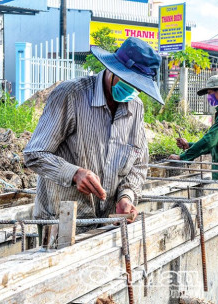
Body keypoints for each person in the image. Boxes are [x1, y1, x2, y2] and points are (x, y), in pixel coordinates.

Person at [24, 37, 163, 228]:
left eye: (138, 87)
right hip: (61, 224)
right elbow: (34, 154)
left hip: (107, 224)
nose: (133, 90)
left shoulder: (136, 108)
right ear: (112, 70)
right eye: (129, 81)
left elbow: (139, 164)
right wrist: (74, 173)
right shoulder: (71, 95)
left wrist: (126, 197)